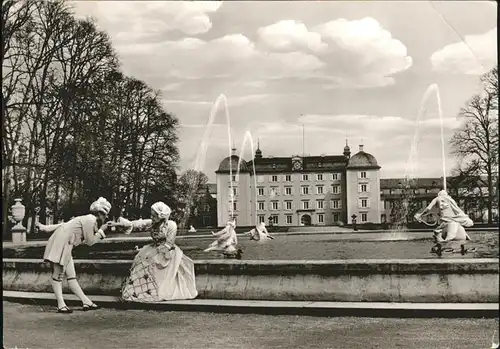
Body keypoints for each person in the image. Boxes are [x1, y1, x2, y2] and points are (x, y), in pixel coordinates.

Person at [40, 197, 112, 313]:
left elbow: (64, 225)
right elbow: (90, 242)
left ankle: (86, 301)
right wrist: (102, 231)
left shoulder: (86, 219)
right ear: (99, 213)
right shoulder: (90, 220)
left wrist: (46, 228)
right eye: (104, 214)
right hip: (62, 243)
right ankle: (61, 305)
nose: (106, 217)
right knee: (58, 275)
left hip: (66, 244)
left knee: (71, 276)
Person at [118, 202, 198, 302]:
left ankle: (153, 290)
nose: (152, 217)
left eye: (154, 215)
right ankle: (138, 291)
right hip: (153, 248)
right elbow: (137, 224)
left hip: (167, 251)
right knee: (140, 261)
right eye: (152, 215)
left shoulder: (171, 225)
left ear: (161, 215)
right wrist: (122, 224)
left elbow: (169, 243)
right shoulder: (152, 223)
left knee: (152, 261)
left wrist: (157, 253)